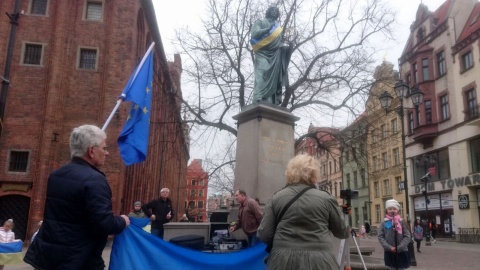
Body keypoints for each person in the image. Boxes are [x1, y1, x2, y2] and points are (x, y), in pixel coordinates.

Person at [24, 125, 130, 270]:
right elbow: (104, 223)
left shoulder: (56, 175)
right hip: (79, 260)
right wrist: (122, 221)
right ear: (92, 151)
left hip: (47, 257)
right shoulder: (95, 180)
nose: (107, 153)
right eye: (104, 148)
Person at [257, 154, 350, 270]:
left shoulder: (276, 198)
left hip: (281, 261)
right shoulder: (326, 199)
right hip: (320, 261)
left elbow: (264, 234)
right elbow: (342, 232)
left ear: (289, 172)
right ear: (314, 173)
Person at [250, 6, 292, 105]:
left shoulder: (278, 28)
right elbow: (254, 34)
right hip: (262, 53)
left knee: (274, 78)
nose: (274, 12)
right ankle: (258, 98)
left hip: (275, 55)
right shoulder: (260, 22)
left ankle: (270, 101)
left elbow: (279, 44)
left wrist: (287, 47)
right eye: (272, 10)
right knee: (262, 73)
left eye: (276, 11)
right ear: (268, 11)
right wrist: (267, 29)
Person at [378, 199, 411, 270]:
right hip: (389, 251)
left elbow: (407, 236)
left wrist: (399, 248)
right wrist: (389, 247)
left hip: (401, 251)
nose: (392, 210)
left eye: (394, 209)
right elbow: (380, 236)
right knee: (391, 268)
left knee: (401, 268)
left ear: (397, 210)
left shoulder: (402, 221)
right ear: (386, 210)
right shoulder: (384, 222)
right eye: (390, 209)